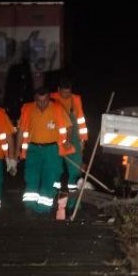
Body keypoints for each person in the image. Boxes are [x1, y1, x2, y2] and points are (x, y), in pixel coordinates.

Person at [16, 87, 75, 217]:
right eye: (39, 101)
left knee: (50, 178)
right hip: (34, 149)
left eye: (45, 101)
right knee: (31, 177)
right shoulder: (28, 109)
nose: (42, 104)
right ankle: (29, 207)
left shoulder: (57, 108)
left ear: (49, 98)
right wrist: (16, 153)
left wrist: (68, 141)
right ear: (35, 99)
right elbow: (20, 132)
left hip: (52, 150)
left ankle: (43, 209)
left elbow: (69, 127)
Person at [50, 77, 89, 210]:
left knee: (75, 170)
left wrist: (82, 139)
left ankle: (73, 204)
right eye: (63, 92)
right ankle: (53, 199)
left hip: (73, 139)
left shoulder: (75, 100)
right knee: (55, 170)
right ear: (58, 90)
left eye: (68, 92)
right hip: (56, 138)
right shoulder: (51, 98)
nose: (66, 95)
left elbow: (81, 120)